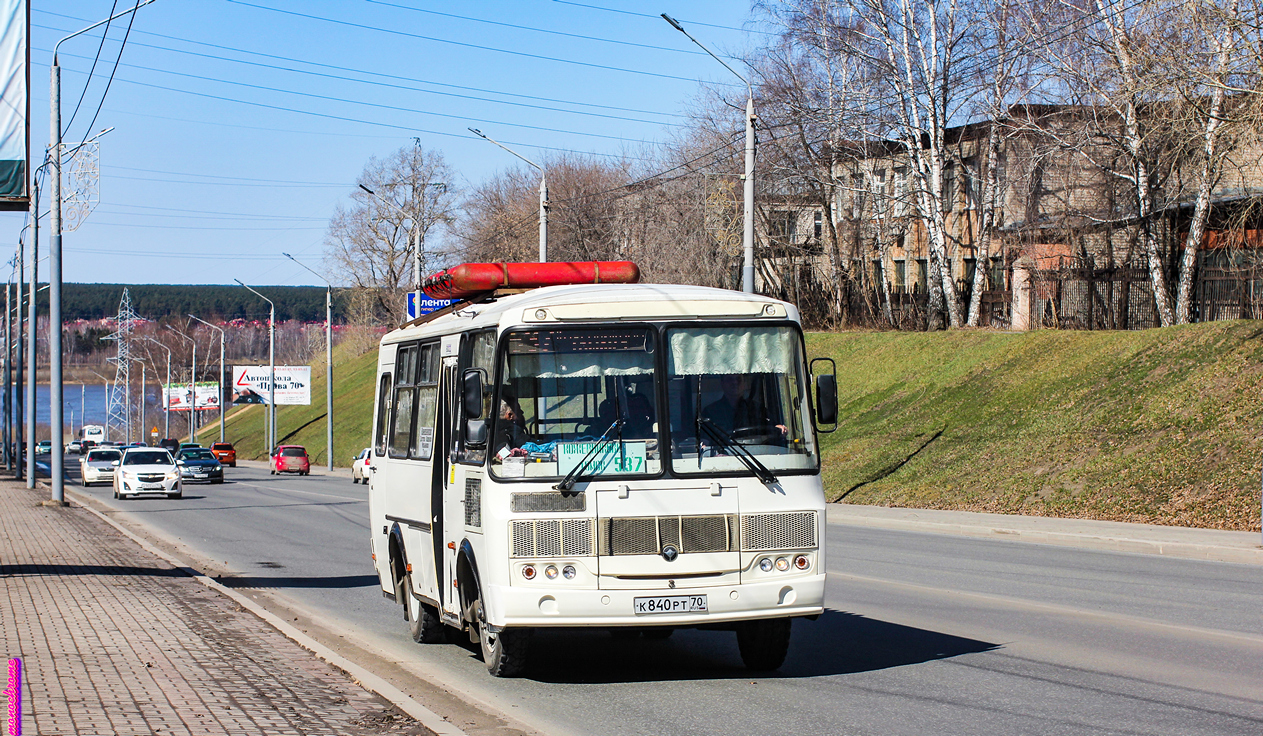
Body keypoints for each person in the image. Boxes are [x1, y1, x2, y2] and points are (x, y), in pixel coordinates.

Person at [701, 374, 785, 441]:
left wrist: (781, 429)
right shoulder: (710, 412)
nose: (734, 382)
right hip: (723, 457)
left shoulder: (758, 409)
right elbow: (704, 441)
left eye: (738, 379)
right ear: (722, 383)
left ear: (744, 384)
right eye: (730, 379)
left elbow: (774, 428)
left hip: (758, 456)